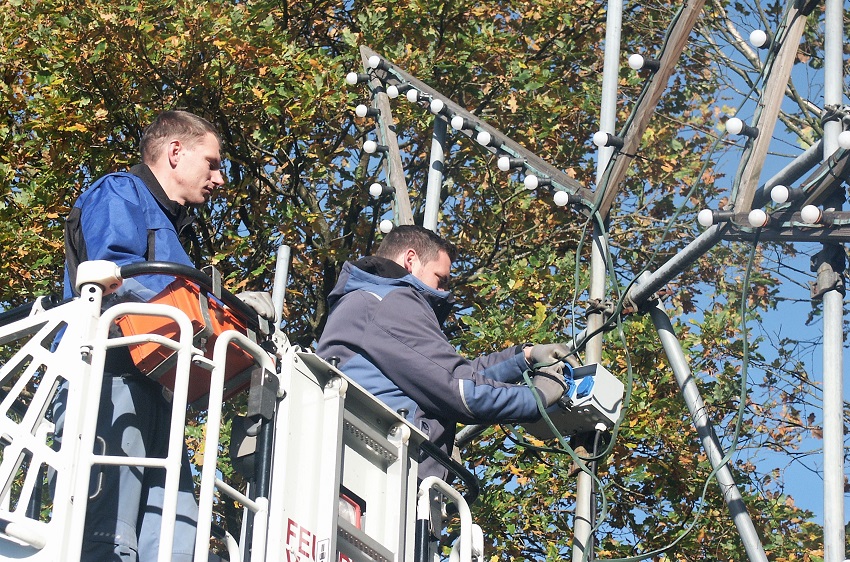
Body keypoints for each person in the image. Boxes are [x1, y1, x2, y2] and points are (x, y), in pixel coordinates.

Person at [54, 110, 273, 561]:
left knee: (176, 543)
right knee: (107, 539)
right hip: (108, 382)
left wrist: (229, 309)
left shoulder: (172, 226)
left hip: (156, 393)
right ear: (175, 152)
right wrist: (215, 308)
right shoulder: (119, 192)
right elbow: (121, 276)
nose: (220, 177)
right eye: (211, 162)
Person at [316, 224, 572, 479]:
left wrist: (524, 357)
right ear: (410, 260)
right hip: (382, 475)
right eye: (440, 280)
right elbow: (458, 390)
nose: (445, 293)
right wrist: (536, 397)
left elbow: (450, 375)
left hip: (371, 471)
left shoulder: (371, 303)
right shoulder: (389, 302)